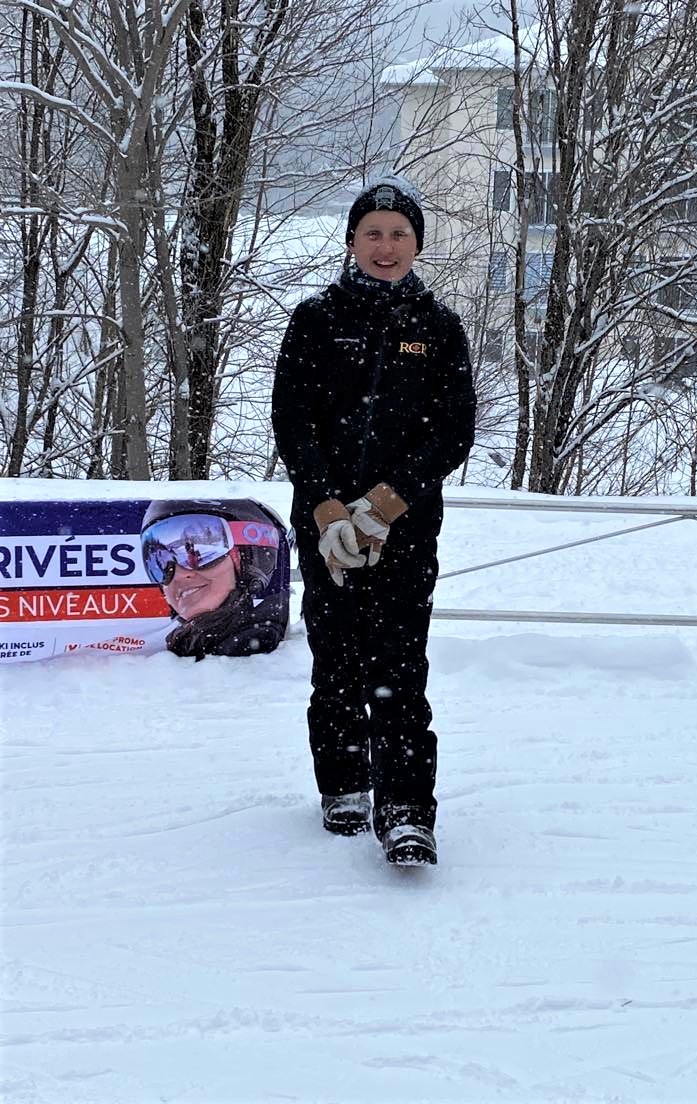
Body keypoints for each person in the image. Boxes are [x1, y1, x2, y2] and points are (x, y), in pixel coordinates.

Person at [271, 175, 476, 865]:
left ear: (417, 243)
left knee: (399, 668)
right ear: (352, 240)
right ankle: (345, 784)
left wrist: (385, 504)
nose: (385, 246)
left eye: (399, 234)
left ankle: (408, 810)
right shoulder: (315, 319)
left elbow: (453, 431)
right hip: (326, 530)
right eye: (373, 233)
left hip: (405, 531)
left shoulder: (439, 328)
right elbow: (292, 423)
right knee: (336, 663)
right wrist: (330, 507)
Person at [140, 498, 290, 660]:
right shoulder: (183, 650)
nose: (179, 575)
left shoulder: (259, 659)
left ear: (246, 559)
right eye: (160, 564)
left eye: (203, 554)